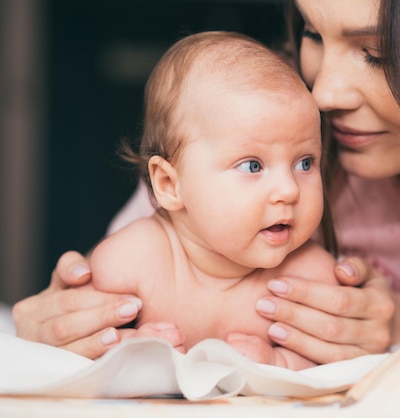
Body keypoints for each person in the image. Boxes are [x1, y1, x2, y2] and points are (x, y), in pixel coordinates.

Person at [12, 0, 400, 415]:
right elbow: (156, 262)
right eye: (312, 32)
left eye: (376, 54)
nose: (323, 91)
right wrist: (60, 327)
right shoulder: (266, 122)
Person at [74, 30, 339, 370]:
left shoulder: (308, 277)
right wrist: (125, 348)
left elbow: (335, 364)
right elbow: (78, 350)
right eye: (253, 166)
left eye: (305, 162)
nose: (289, 190)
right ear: (169, 184)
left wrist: (282, 361)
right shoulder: (130, 262)